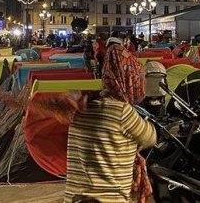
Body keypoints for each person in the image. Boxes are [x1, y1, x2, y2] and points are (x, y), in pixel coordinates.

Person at [64, 44, 157, 203]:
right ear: (129, 78)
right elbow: (150, 138)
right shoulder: (122, 111)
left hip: (75, 197)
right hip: (108, 199)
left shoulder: (83, 105)